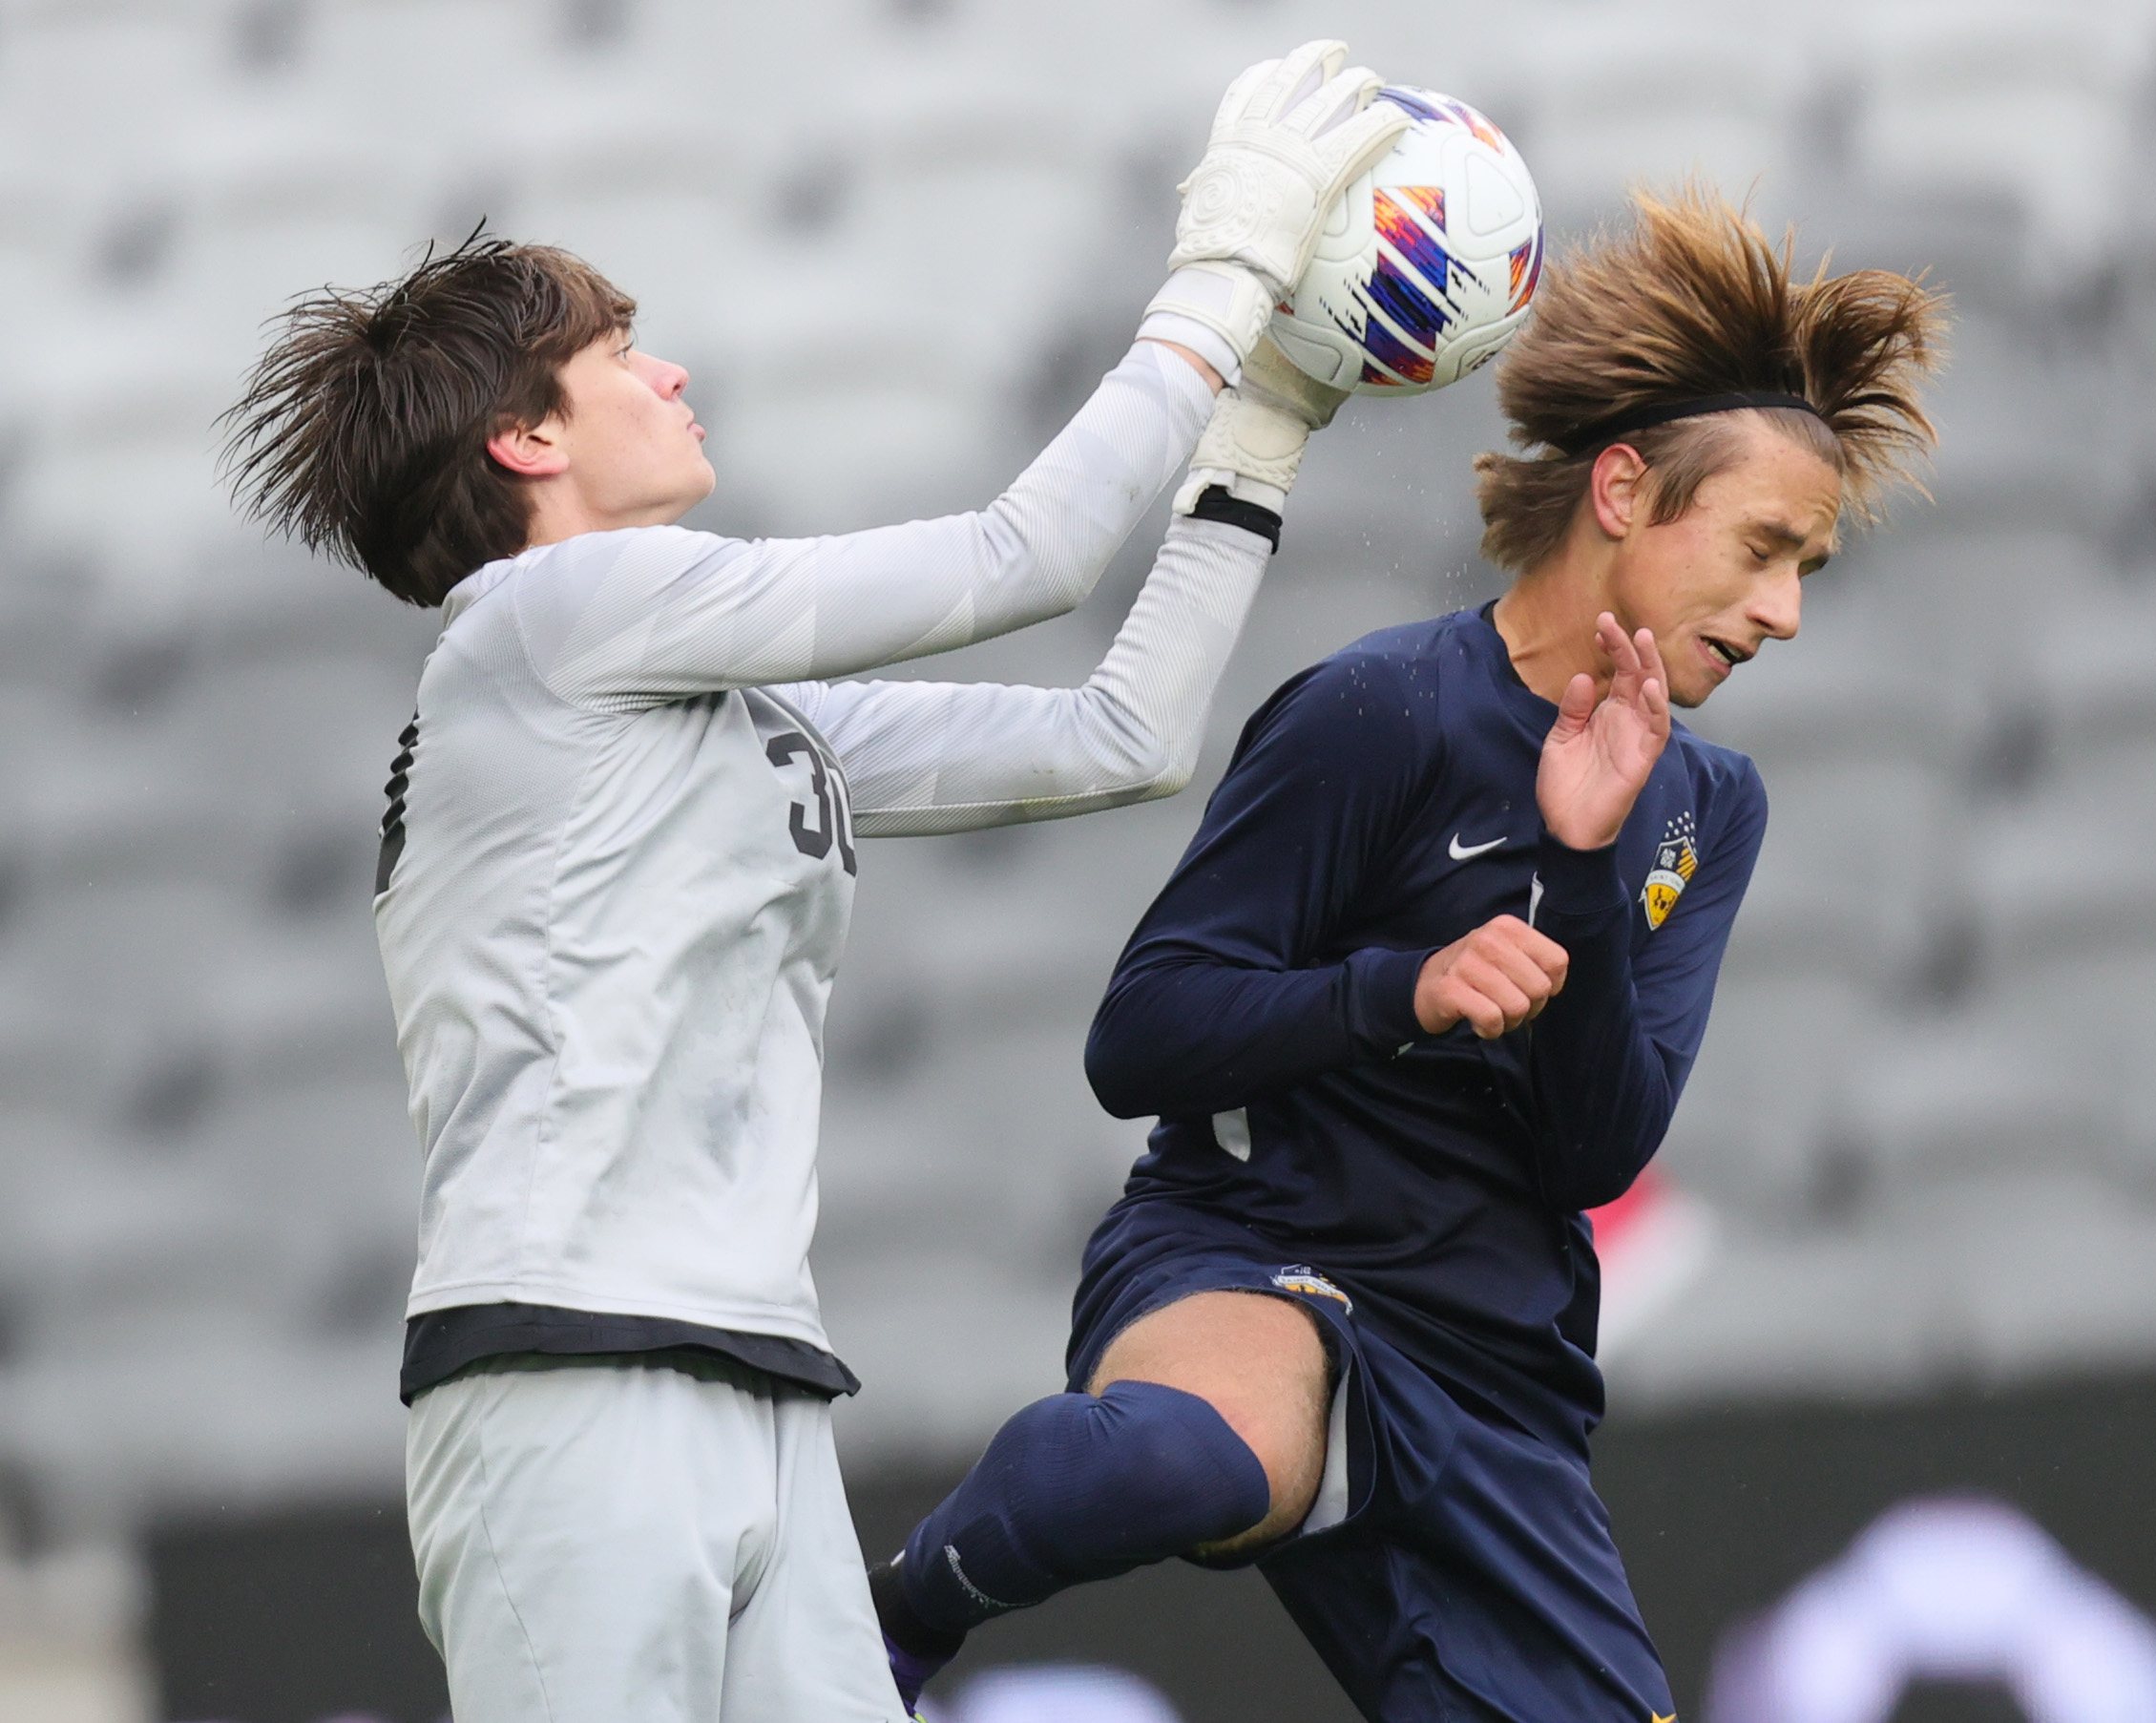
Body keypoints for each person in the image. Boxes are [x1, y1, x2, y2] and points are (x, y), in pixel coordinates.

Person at [220, 41, 1405, 1723]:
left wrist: (1259, 443)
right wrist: (1223, 274)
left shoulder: (687, 702)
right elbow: (1029, 558)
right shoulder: (557, 623)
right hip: (571, 1386)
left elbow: (1114, 736)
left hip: (753, 1384)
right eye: (623, 350)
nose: (673, 369)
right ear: (527, 435)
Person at [869, 186, 1947, 1720]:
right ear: (1628, 491)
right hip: (1257, 1255)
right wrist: (1402, 988)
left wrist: (1579, 863)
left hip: (1499, 1372)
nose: (1782, 610)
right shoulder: (1381, 712)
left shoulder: (1706, 807)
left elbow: (1595, 1148)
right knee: (1178, 1457)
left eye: (1807, 573)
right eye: (1765, 547)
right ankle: (882, 1630)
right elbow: (1142, 1035)